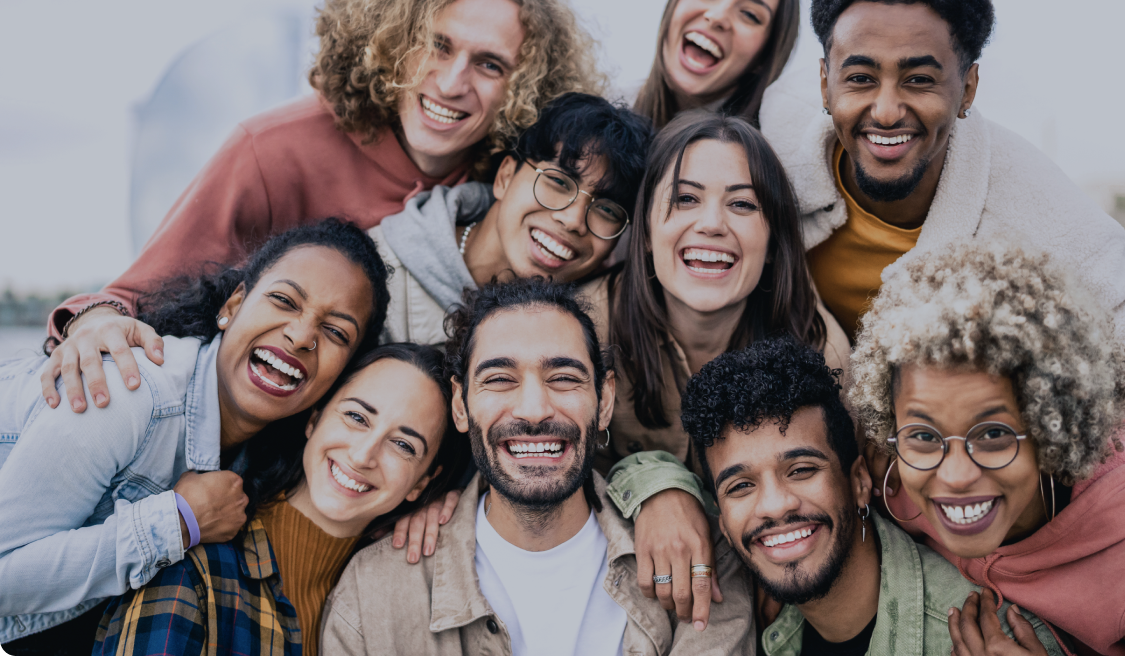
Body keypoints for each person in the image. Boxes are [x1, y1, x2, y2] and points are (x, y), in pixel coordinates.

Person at [41, 0, 601, 418]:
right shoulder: (274, 149)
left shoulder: (512, 191)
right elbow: (135, 297)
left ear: (523, 90)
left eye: (489, 65)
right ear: (394, 40)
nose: (453, 82)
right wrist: (93, 325)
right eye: (437, 45)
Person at [756, 0, 1125, 435]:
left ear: (968, 89)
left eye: (919, 80)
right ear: (826, 83)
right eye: (861, 78)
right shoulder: (776, 138)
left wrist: (1015, 400)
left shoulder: (1041, 211)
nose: (886, 110)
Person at [0, 220, 389, 652]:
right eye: (283, 300)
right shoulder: (129, 393)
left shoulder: (260, 456)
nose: (301, 336)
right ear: (233, 306)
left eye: (336, 332)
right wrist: (178, 522)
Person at [321, 278, 755, 655]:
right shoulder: (372, 592)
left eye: (564, 378)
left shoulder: (702, 559)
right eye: (499, 379)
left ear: (603, 402)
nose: (533, 410)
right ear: (460, 404)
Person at [848, 243, 1125, 655]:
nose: (956, 477)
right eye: (925, 436)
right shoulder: (895, 482)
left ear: (1051, 429)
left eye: (993, 434)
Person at [575, 110, 848, 628]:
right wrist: (653, 485)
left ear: (772, 243)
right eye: (685, 198)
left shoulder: (819, 353)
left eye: (743, 204)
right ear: (647, 229)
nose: (712, 223)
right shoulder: (586, 330)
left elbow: (846, 499)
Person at [664, 335, 1064, 655]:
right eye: (741, 486)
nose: (774, 505)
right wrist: (659, 487)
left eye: (801, 470)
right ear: (721, 517)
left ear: (858, 482)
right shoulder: (749, 608)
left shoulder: (993, 638)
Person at [94, 343, 471, 655]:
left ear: (422, 482)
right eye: (357, 417)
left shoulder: (397, 595)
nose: (362, 456)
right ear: (314, 419)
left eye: (403, 445)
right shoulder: (194, 571)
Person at [369, 92, 652, 345]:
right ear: (505, 176)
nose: (573, 220)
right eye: (558, 181)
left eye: (607, 210)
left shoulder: (594, 334)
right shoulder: (374, 274)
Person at [632, 0, 800, 129]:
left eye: (750, 15)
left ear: (763, 57)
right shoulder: (611, 108)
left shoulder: (766, 154)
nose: (718, 16)